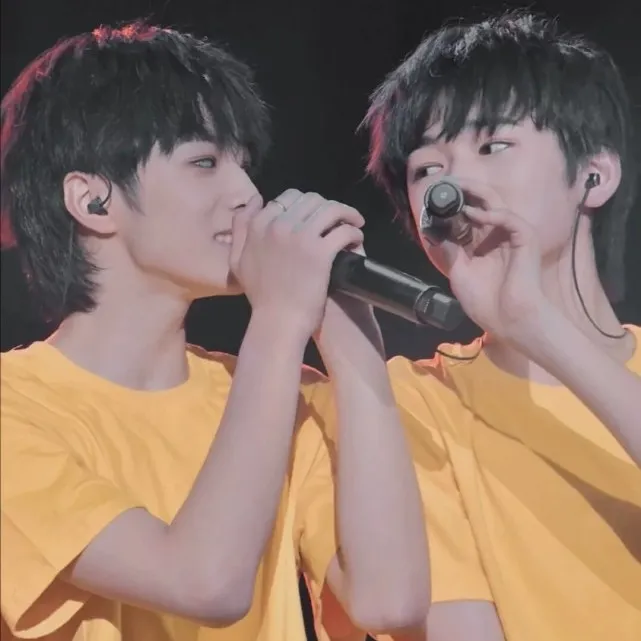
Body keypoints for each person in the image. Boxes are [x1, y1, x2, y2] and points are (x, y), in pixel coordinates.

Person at [0, 22, 429, 641]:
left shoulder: (280, 393)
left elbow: (390, 603)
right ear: (93, 201)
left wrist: (350, 341)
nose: (248, 195)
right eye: (204, 162)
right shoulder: (15, 411)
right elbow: (204, 583)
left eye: (244, 166)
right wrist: (279, 319)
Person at [361, 10, 641, 641]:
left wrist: (539, 329)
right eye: (427, 169)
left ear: (594, 174)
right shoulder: (413, 405)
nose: (454, 184)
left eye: (493, 146)